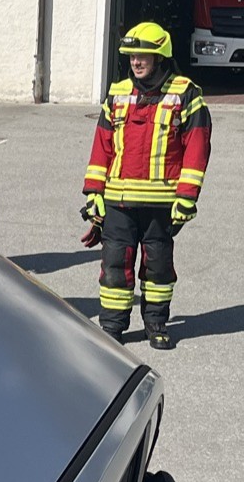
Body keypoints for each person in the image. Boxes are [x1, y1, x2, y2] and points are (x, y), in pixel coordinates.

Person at [81, 21, 212, 349]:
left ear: (161, 57)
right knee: (115, 266)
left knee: (158, 269)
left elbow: (197, 148)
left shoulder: (185, 94)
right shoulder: (117, 93)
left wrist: (186, 198)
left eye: (144, 56)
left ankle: (156, 323)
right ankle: (112, 327)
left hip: (161, 204)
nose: (136, 62)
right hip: (117, 202)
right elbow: (102, 146)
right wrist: (94, 193)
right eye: (132, 56)